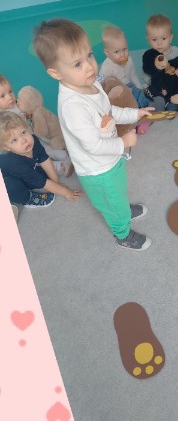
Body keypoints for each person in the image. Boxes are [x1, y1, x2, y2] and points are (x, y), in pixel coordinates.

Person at [33, 18, 153, 250]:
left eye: (89, 55)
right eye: (77, 64)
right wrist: (123, 142)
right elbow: (94, 146)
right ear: (56, 73)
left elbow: (109, 110)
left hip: (110, 158)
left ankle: (122, 209)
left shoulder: (91, 84)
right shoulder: (73, 106)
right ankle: (123, 235)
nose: (89, 66)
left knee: (117, 193)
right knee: (111, 200)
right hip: (97, 169)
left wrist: (134, 113)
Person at [0, 110, 81, 211]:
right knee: (11, 186)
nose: (24, 140)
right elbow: (42, 182)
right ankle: (28, 199)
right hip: (6, 181)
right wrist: (66, 192)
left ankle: (28, 182)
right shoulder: (15, 163)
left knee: (44, 175)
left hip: (22, 171)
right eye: (14, 140)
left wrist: (56, 183)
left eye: (23, 133)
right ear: (6, 147)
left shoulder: (33, 140)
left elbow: (45, 160)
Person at [98, 24, 164, 110]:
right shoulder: (106, 67)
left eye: (124, 49)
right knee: (130, 99)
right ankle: (146, 107)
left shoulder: (129, 59)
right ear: (107, 53)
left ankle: (151, 102)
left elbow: (133, 75)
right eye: (117, 52)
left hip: (131, 86)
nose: (122, 54)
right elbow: (102, 88)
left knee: (142, 92)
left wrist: (140, 88)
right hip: (119, 92)